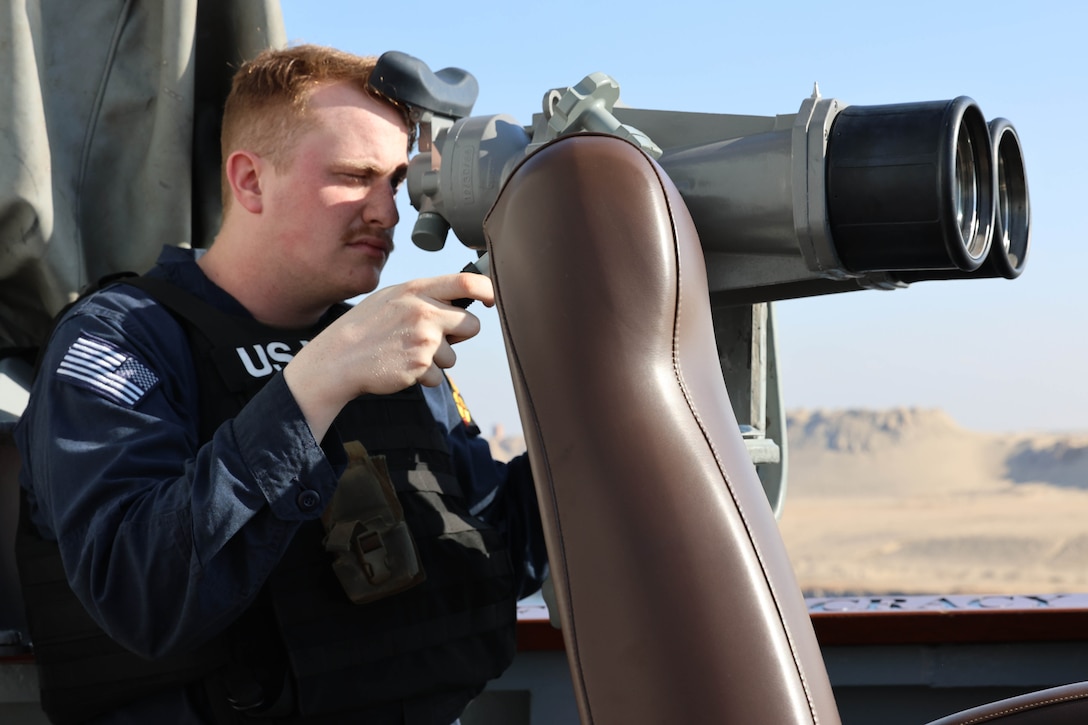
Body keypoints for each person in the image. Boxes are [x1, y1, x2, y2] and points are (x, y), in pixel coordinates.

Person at [13, 44, 548, 725]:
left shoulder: (386, 345)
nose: (387, 212)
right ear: (249, 181)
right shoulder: (119, 340)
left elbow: (496, 549)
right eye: (354, 176)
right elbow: (141, 594)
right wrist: (317, 381)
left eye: (395, 180)